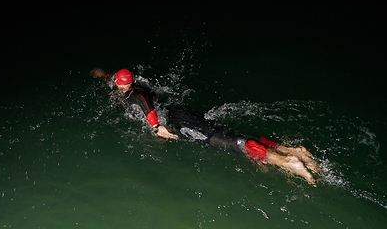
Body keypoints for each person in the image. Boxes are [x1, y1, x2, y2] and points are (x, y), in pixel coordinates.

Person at [91, 68, 320, 185]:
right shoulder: (131, 83)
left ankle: (286, 161)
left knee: (218, 140)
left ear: (123, 85)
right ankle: (291, 150)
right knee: (221, 130)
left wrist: (155, 128)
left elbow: (145, 105)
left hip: (176, 121)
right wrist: (99, 73)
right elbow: (110, 77)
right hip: (180, 111)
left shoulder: (133, 94)